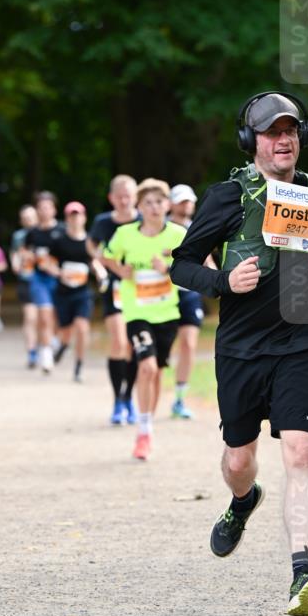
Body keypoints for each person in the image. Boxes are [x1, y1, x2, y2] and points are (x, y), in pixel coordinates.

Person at [170, 91, 308, 616]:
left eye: (291, 131)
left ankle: (303, 572)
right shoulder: (229, 196)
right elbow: (182, 264)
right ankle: (242, 499)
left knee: (301, 451)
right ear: (251, 140)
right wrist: (222, 280)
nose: (283, 140)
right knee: (240, 459)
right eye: (271, 132)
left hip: (301, 343)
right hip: (240, 349)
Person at [104, 179, 186, 460]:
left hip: (168, 314)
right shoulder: (125, 234)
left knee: (158, 371)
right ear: (138, 207)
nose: (154, 207)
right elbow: (107, 257)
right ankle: (143, 432)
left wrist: (170, 268)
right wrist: (121, 271)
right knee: (147, 367)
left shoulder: (178, 234)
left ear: (168, 205)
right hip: (137, 313)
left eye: (159, 201)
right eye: (147, 202)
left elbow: (195, 266)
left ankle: (148, 423)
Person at [88, 174, 140, 424]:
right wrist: (99, 265)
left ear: (135, 197)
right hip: (115, 288)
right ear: (111, 198)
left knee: (132, 346)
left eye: (128, 195)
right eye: (119, 196)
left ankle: (128, 396)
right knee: (119, 342)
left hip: (142, 290)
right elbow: (92, 247)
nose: (123, 200)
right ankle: (117, 401)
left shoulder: (144, 221)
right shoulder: (102, 222)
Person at [45, 201, 107, 382]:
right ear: (66, 219)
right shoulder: (59, 241)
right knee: (65, 331)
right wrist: (59, 272)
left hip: (82, 292)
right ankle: (63, 346)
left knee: (81, 327)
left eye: (78, 215)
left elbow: (95, 262)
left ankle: (78, 366)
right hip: (63, 292)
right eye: (71, 216)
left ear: (84, 218)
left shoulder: (89, 242)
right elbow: (48, 263)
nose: (75, 219)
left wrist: (100, 273)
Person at [168, 183, 213, 420]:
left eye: (189, 201)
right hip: (162, 294)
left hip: (188, 293)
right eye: (181, 201)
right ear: (171, 203)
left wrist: (219, 283)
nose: (186, 205)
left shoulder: (198, 227)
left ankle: (179, 398)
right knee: (161, 349)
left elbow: (206, 260)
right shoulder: (159, 227)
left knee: (189, 344)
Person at [22, 192, 64, 374]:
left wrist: (55, 266)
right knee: (44, 315)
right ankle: (46, 355)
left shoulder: (62, 230)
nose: (44, 211)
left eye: (48, 207)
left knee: (56, 317)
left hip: (59, 279)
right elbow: (24, 252)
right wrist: (29, 258)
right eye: (41, 208)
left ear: (54, 209)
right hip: (39, 280)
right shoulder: (33, 233)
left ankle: (53, 342)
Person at [10, 204, 39, 367]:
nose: (28, 220)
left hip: (44, 281)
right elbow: (15, 254)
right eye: (25, 218)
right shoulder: (18, 236)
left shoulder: (44, 234)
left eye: (31, 217)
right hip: (26, 280)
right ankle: (31, 351)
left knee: (44, 318)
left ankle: (46, 346)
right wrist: (15, 263)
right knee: (30, 317)